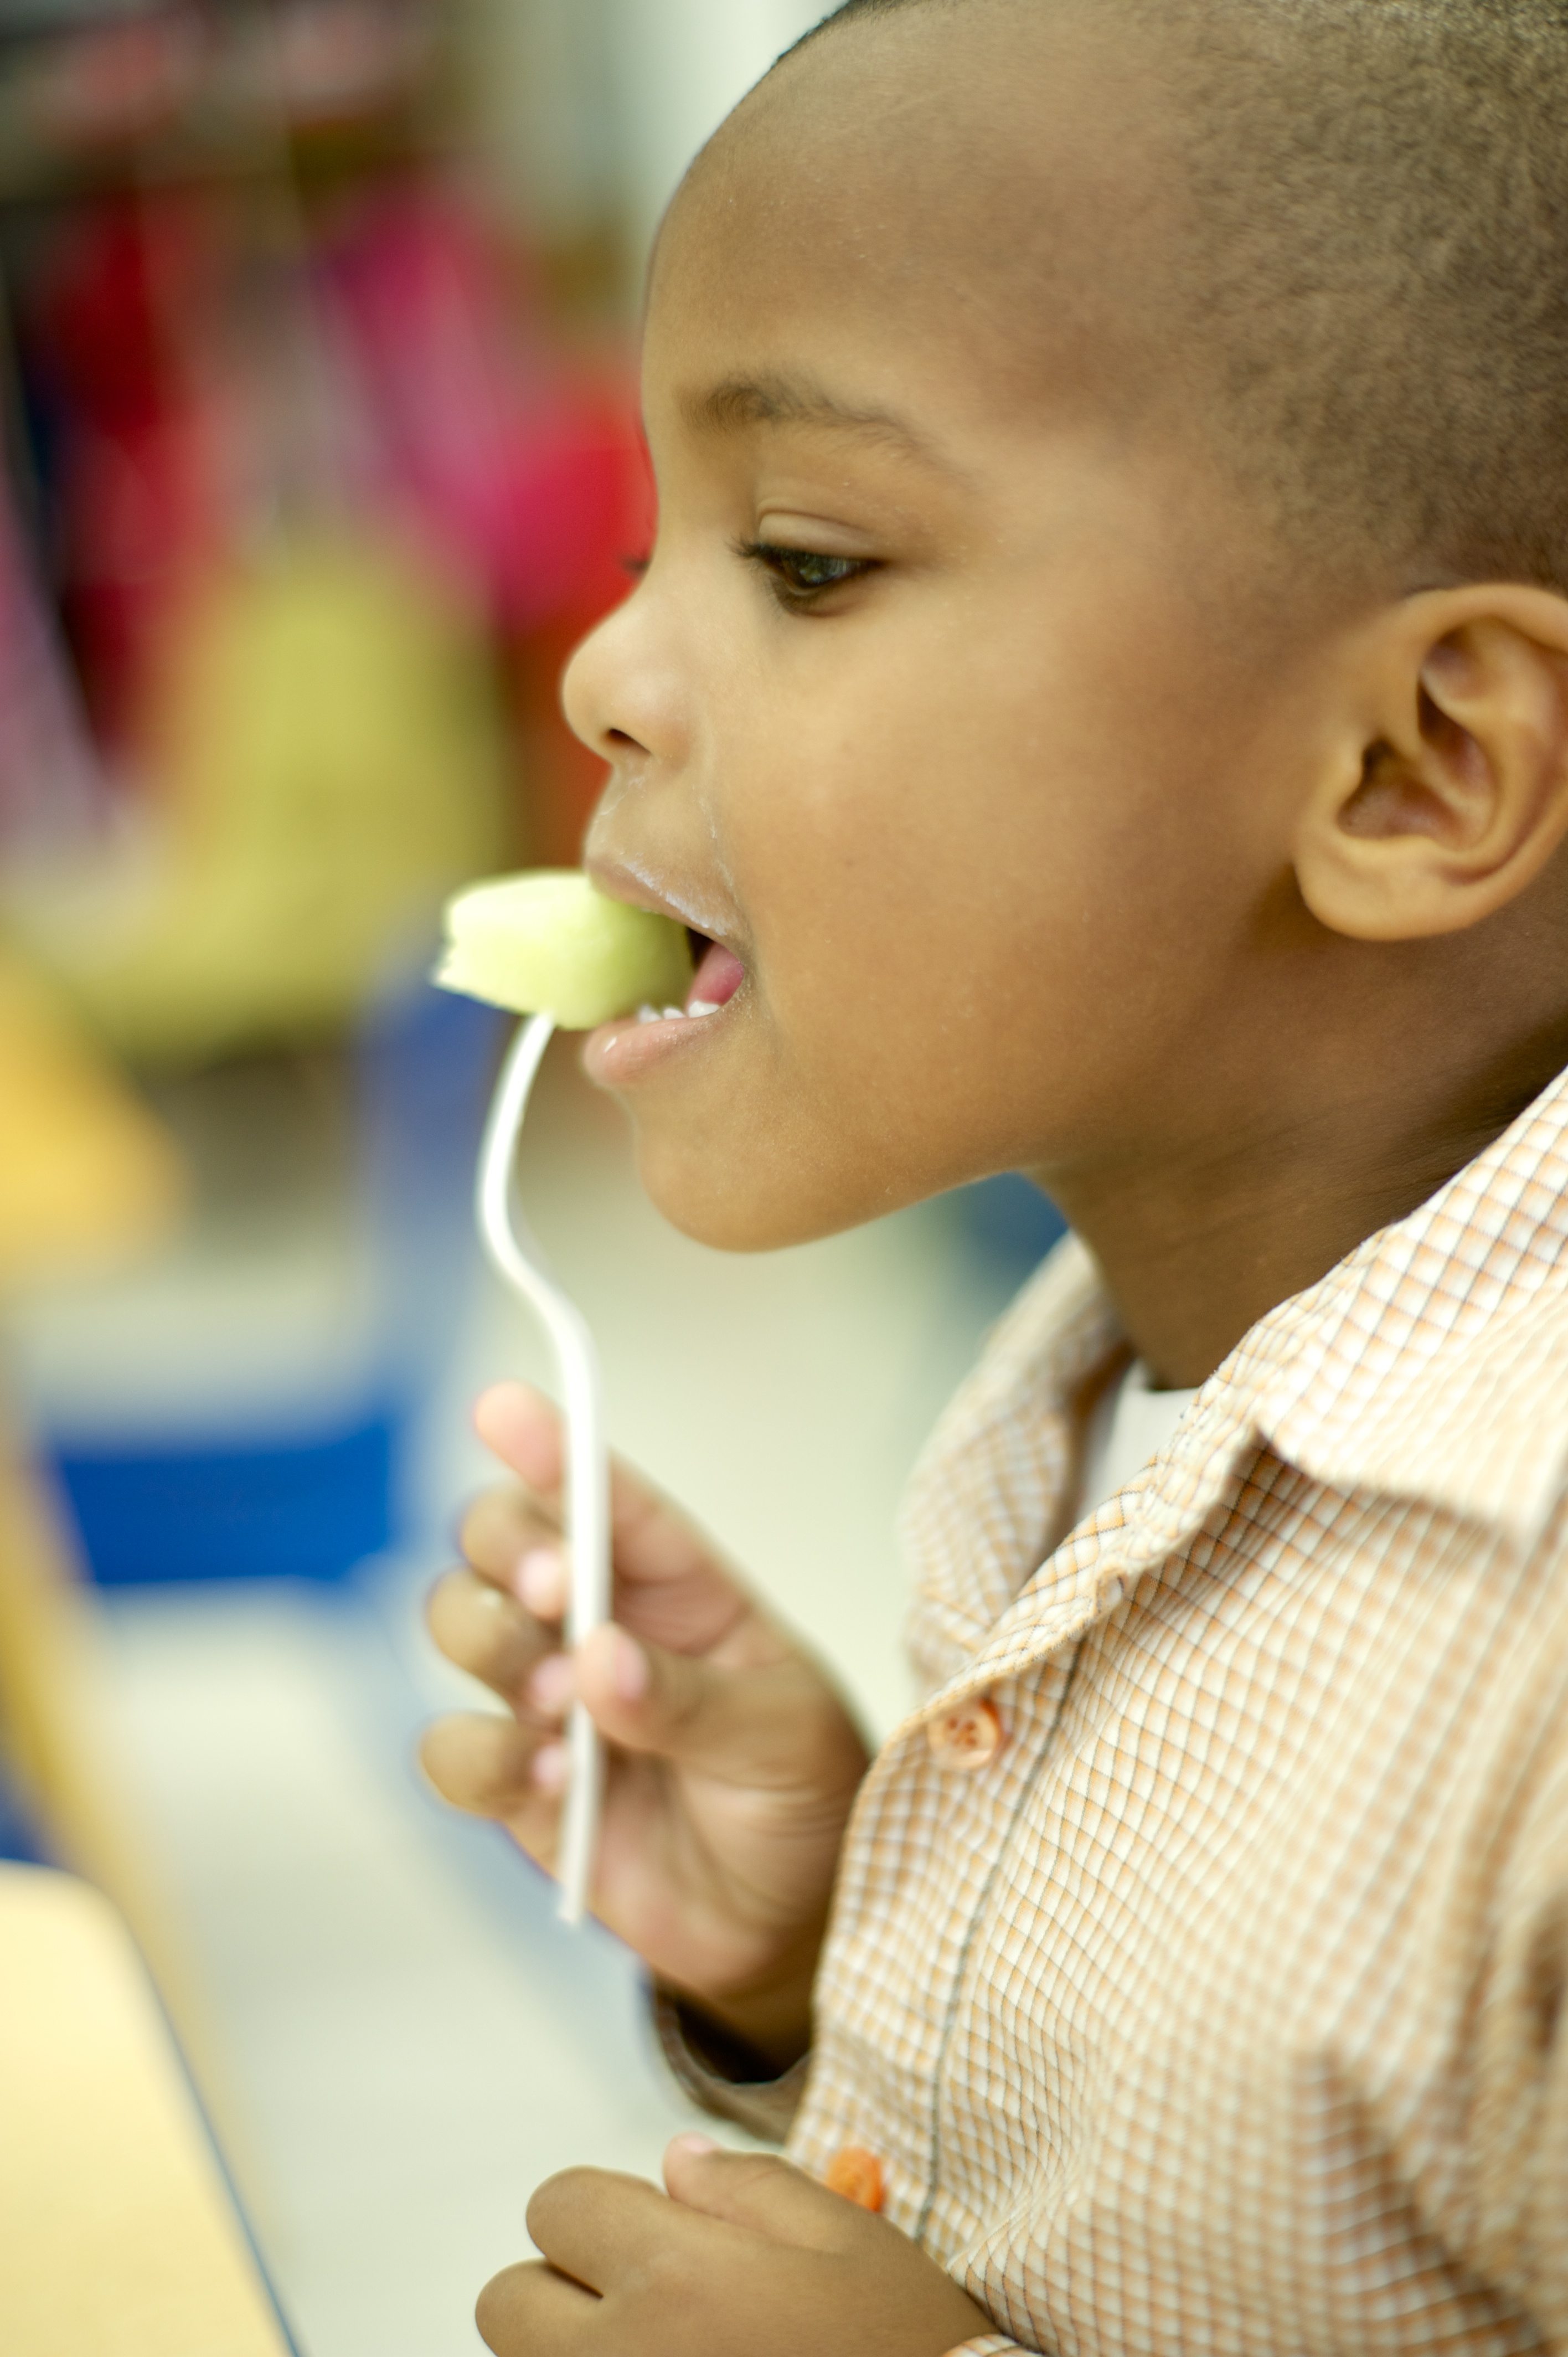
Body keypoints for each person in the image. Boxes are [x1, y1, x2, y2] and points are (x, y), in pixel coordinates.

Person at [420, 1, 1568, 2348]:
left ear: (1414, 769)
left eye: (812, 559)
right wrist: (816, 1949)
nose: (607, 674)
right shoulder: (1104, 1378)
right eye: (656, 541)